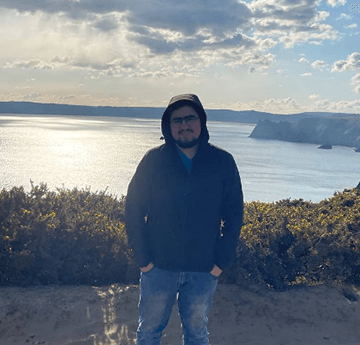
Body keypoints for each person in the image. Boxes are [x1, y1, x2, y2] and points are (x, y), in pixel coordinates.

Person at [125, 94, 243, 345]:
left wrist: (219, 264)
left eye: (190, 118)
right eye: (176, 120)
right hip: (158, 268)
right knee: (148, 332)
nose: (184, 125)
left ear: (202, 122)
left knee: (197, 334)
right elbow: (133, 209)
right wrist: (144, 261)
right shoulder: (153, 160)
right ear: (168, 126)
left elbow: (234, 216)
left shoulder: (222, 162)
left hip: (203, 270)